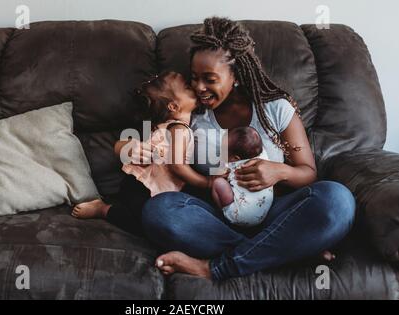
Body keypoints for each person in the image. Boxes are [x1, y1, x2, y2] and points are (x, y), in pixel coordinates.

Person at [138, 17, 355, 280]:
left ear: (236, 76)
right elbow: (153, 142)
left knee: (337, 200)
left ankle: (214, 267)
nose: (198, 88)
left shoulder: (275, 109)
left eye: (209, 79)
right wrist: (127, 146)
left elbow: (308, 173)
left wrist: (279, 172)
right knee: (159, 211)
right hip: (219, 217)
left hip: (275, 211)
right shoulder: (192, 116)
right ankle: (289, 250)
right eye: (194, 78)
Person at [71, 71, 225, 235]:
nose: (195, 88)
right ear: (173, 106)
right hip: (146, 189)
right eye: (187, 87)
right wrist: (207, 183)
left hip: (137, 183)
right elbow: (177, 165)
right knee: (144, 226)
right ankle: (104, 210)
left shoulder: (163, 126)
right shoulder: (179, 129)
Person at [212, 126, 273, 227]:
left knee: (218, 182)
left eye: (223, 151)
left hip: (238, 215)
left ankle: (223, 212)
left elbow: (219, 173)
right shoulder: (265, 158)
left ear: (236, 158)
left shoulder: (234, 165)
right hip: (261, 216)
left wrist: (215, 173)